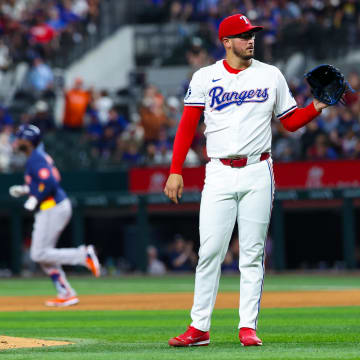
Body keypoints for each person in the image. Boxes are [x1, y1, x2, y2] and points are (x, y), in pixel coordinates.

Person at [164, 14, 329, 347]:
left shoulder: (271, 75)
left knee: (252, 253)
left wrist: (316, 106)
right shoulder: (205, 77)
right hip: (219, 171)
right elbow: (187, 126)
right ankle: (199, 328)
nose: (250, 40)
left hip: (258, 169)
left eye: (252, 34)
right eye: (242, 36)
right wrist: (175, 169)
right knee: (210, 251)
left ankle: (247, 327)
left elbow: (290, 122)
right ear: (226, 42)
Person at [9, 124, 101, 307]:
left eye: (20, 138)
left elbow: (50, 182)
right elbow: (44, 181)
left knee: (38, 254)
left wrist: (34, 198)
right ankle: (66, 292)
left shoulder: (35, 158)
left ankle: (83, 255)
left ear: (27, 141)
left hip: (53, 207)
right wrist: (27, 190)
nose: (17, 141)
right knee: (45, 255)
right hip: (52, 207)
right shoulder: (35, 156)